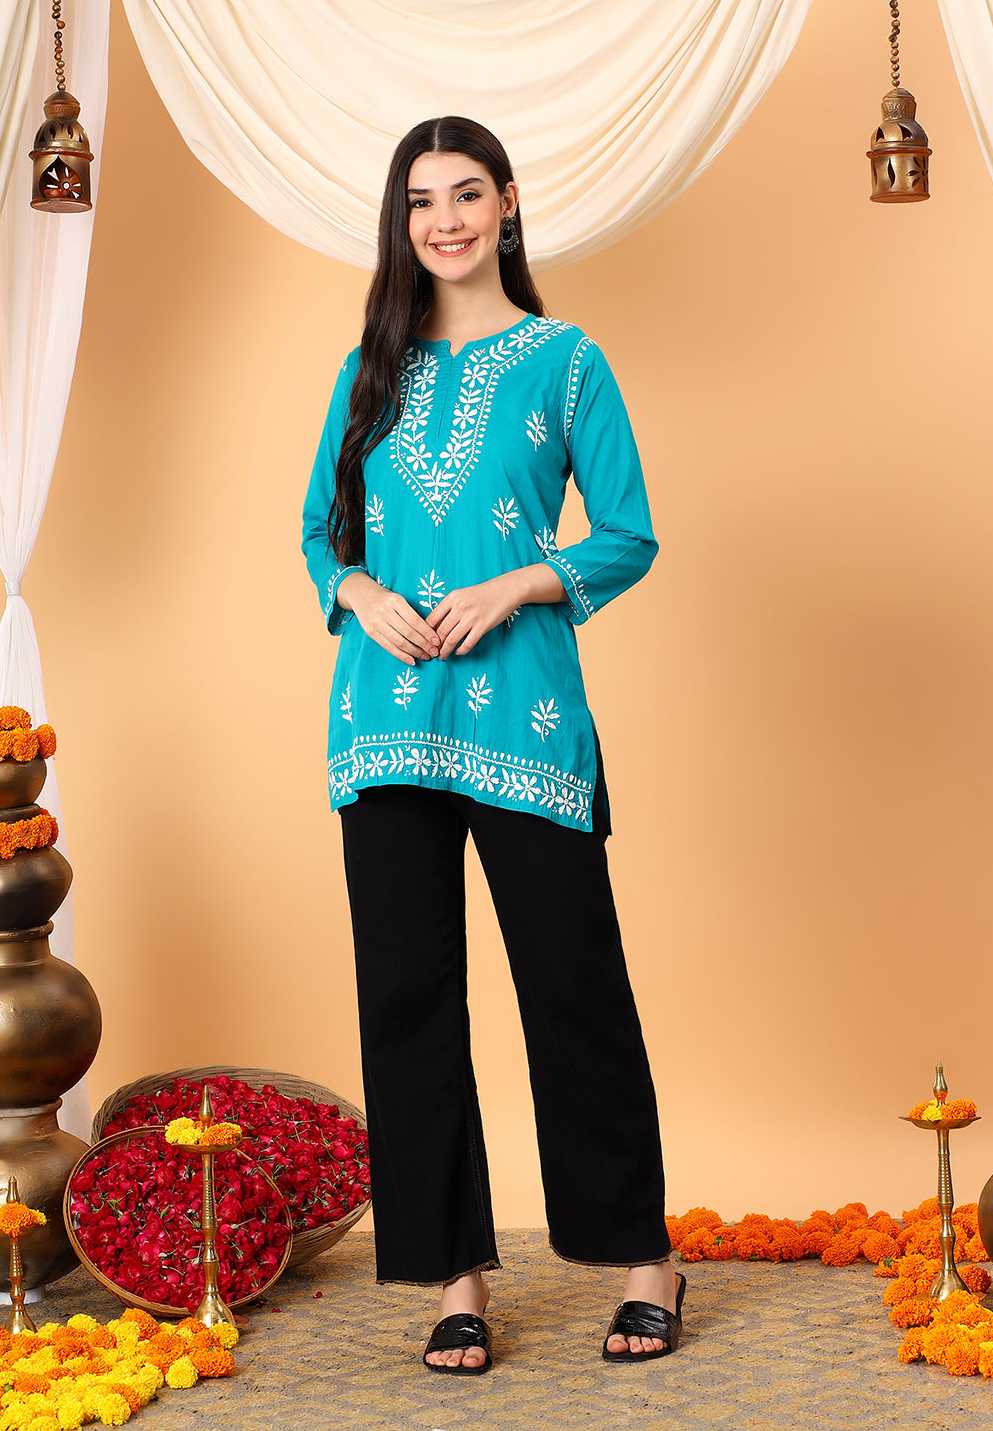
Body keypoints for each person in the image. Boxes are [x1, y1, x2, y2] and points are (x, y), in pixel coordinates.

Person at [302, 116, 682, 1373]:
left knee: (573, 986)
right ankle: (453, 1277)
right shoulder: (371, 368)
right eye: (422, 201)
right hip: (382, 725)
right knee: (407, 1000)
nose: (445, 221)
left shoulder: (567, 363)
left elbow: (625, 534)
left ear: (507, 205)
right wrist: (358, 592)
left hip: (526, 720)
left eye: (467, 195)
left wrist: (518, 583)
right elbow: (319, 532)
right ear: (402, 221)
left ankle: (644, 1258)